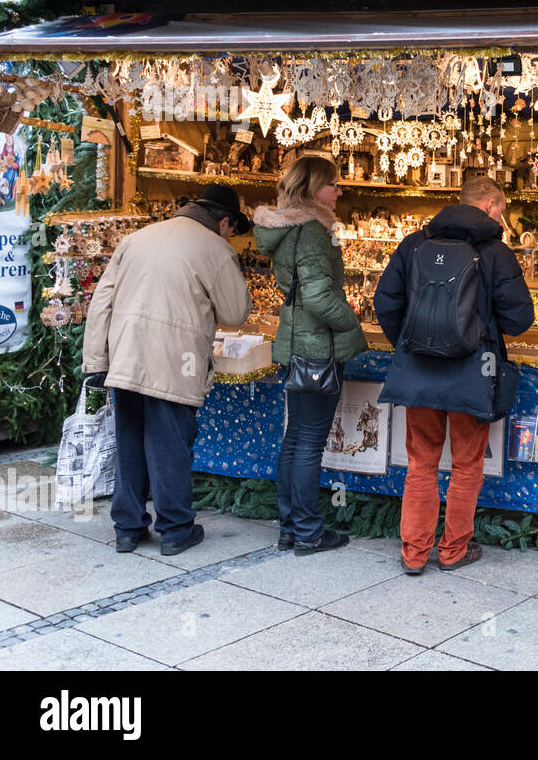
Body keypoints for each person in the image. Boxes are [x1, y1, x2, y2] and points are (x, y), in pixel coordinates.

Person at [374, 176, 534, 574]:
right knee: (466, 465)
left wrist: (413, 345)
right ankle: (453, 550)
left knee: (421, 463)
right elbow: (520, 320)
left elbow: (385, 302)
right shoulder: (496, 252)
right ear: (491, 207)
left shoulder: (413, 244)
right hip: (474, 373)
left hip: (420, 371)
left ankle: (413, 554)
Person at [82, 185, 252, 555]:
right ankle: (175, 529)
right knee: (169, 443)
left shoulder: (136, 239)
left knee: (130, 441)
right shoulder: (215, 248)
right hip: (175, 360)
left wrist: (96, 361)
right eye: (232, 229)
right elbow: (236, 313)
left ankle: (127, 529)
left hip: (126, 355)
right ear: (224, 221)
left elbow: (101, 303)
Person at [253, 155, 367, 556]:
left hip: (296, 341)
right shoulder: (314, 231)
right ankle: (307, 532)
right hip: (319, 348)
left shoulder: (285, 227)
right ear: (313, 188)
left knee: (295, 438)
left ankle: (289, 527)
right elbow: (318, 295)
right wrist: (351, 323)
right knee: (308, 442)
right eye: (332, 184)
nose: (338, 191)